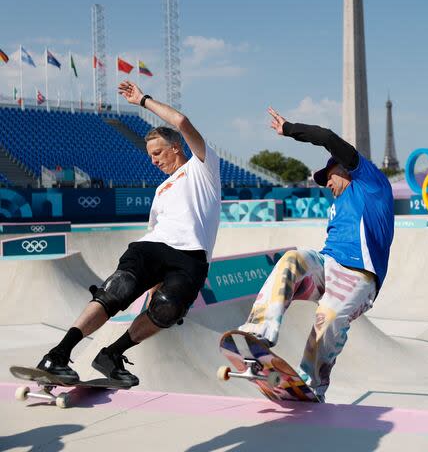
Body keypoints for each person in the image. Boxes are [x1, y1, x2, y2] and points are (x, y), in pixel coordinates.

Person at [35, 81, 221, 386]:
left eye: (158, 152)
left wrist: (143, 100)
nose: (154, 160)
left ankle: (111, 355)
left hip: (192, 259)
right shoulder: (161, 190)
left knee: (167, 310)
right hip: (153, 248)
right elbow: (154, 231)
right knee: (116, 291)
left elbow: (182, 122)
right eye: (150, 156)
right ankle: (58, 354)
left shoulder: (204, 168)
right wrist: (153, 283)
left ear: (176, 147)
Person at [239, 107, 394, 401]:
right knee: (293, 258)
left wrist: (290, 129)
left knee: (329, 316)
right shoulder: (338, 203)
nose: (328, 185)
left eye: (330, 178)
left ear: (345, 168)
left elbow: (327, 137)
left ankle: (312, 383)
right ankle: (261, 328)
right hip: (328, 265)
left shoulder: (370, 183)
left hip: (359, 277)